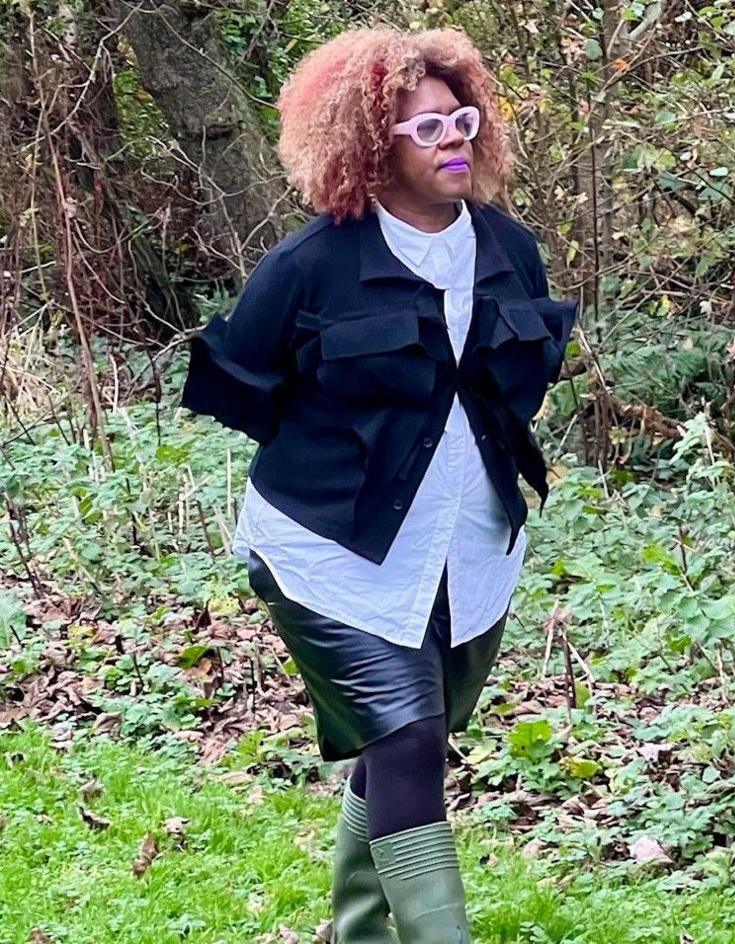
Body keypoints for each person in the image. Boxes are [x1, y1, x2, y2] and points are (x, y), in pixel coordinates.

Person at [181, 26, 576, 944]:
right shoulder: (307, 267)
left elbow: (517, 386)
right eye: (426, 128)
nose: (454, 141)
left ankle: (357, 931)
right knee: (402, 740)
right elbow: (246, 386)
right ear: (368, 147)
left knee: (405, 744)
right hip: (329, 553)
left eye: (463, 120)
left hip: (471, 552)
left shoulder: (509, 250)